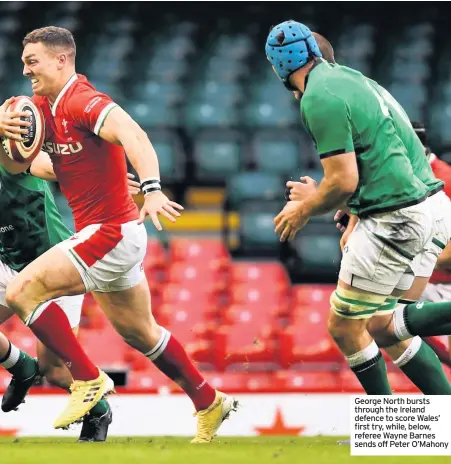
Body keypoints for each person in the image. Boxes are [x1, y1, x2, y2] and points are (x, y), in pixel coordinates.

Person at [0, 26, 237, 442]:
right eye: (23, 62)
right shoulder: (44, 107)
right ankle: (209, 400)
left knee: (22, 292)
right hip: (111, 237)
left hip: (111, 231)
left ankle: (88, 381)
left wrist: (152, 189)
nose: (25, 69)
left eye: (32, 61)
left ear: (62, 59)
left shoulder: (82, 100)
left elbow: (134, 134)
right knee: (142, 334)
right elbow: (37, 165)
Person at [268, 20, 451, 395]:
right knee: (383, 327)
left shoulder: (318, 96)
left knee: (345, 326)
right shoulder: (355, 80)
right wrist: (352, 208)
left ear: (279, 67)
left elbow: (343, 181)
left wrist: (305, 209)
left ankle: (383, 439)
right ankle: (442, 417)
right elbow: (389, 163)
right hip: (427, 206)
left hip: (395, 216)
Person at [0, 125, 141, 441]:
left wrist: (105, 182)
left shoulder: (18, 159)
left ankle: (99, 409)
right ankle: (21, 366)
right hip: (8, 263)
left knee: (56, 372)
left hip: (52, 271)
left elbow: (56, 167)